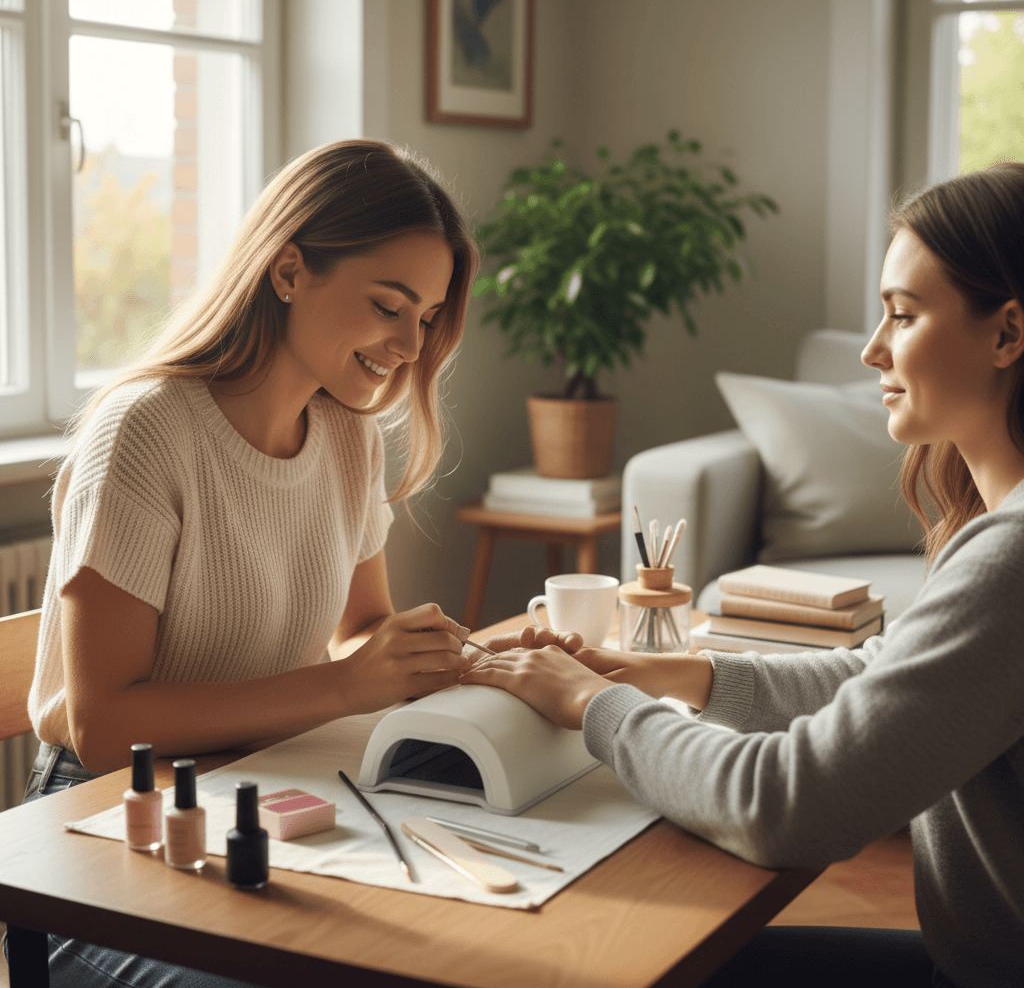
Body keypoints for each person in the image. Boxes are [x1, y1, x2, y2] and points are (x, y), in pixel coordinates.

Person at [461, 163, 1024, 988]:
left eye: (902, 316)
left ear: (1008, 333)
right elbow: (887, 675)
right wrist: (673, 674)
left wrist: (593, 705)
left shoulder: (1011, 559)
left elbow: (787, 806)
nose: (872, 350)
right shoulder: (994, 533)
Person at [18, 139, 563, 988]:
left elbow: (363, 630)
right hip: (99, 828)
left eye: (424, 318)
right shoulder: (144, 431)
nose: (410, 346)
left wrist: (449, 660)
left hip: (262, 779)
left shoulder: (346, 434)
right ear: (287, 271)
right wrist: (349, 686)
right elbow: (101, 725)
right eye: (389, 306)